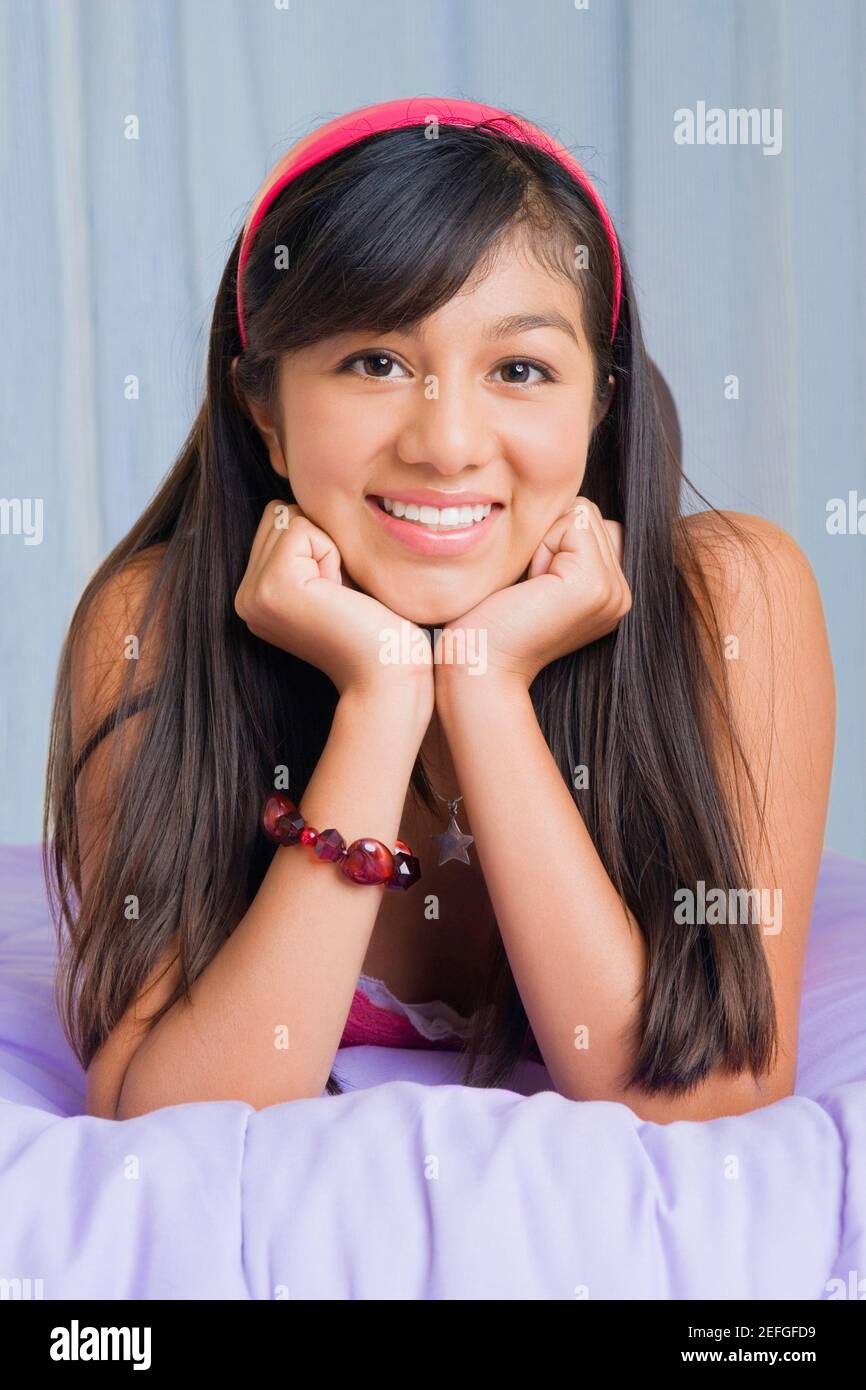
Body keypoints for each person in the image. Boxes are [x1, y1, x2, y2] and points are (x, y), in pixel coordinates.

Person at [43, 97, 834, 1122]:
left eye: (519, 368)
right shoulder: (151, 621)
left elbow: (707, 1092)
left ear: (597, 407)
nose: (447, 441)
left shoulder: (730, 595)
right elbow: (165, 1109)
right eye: (374, 362)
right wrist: (377, 702)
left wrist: (485, 689)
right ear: (265, 411)